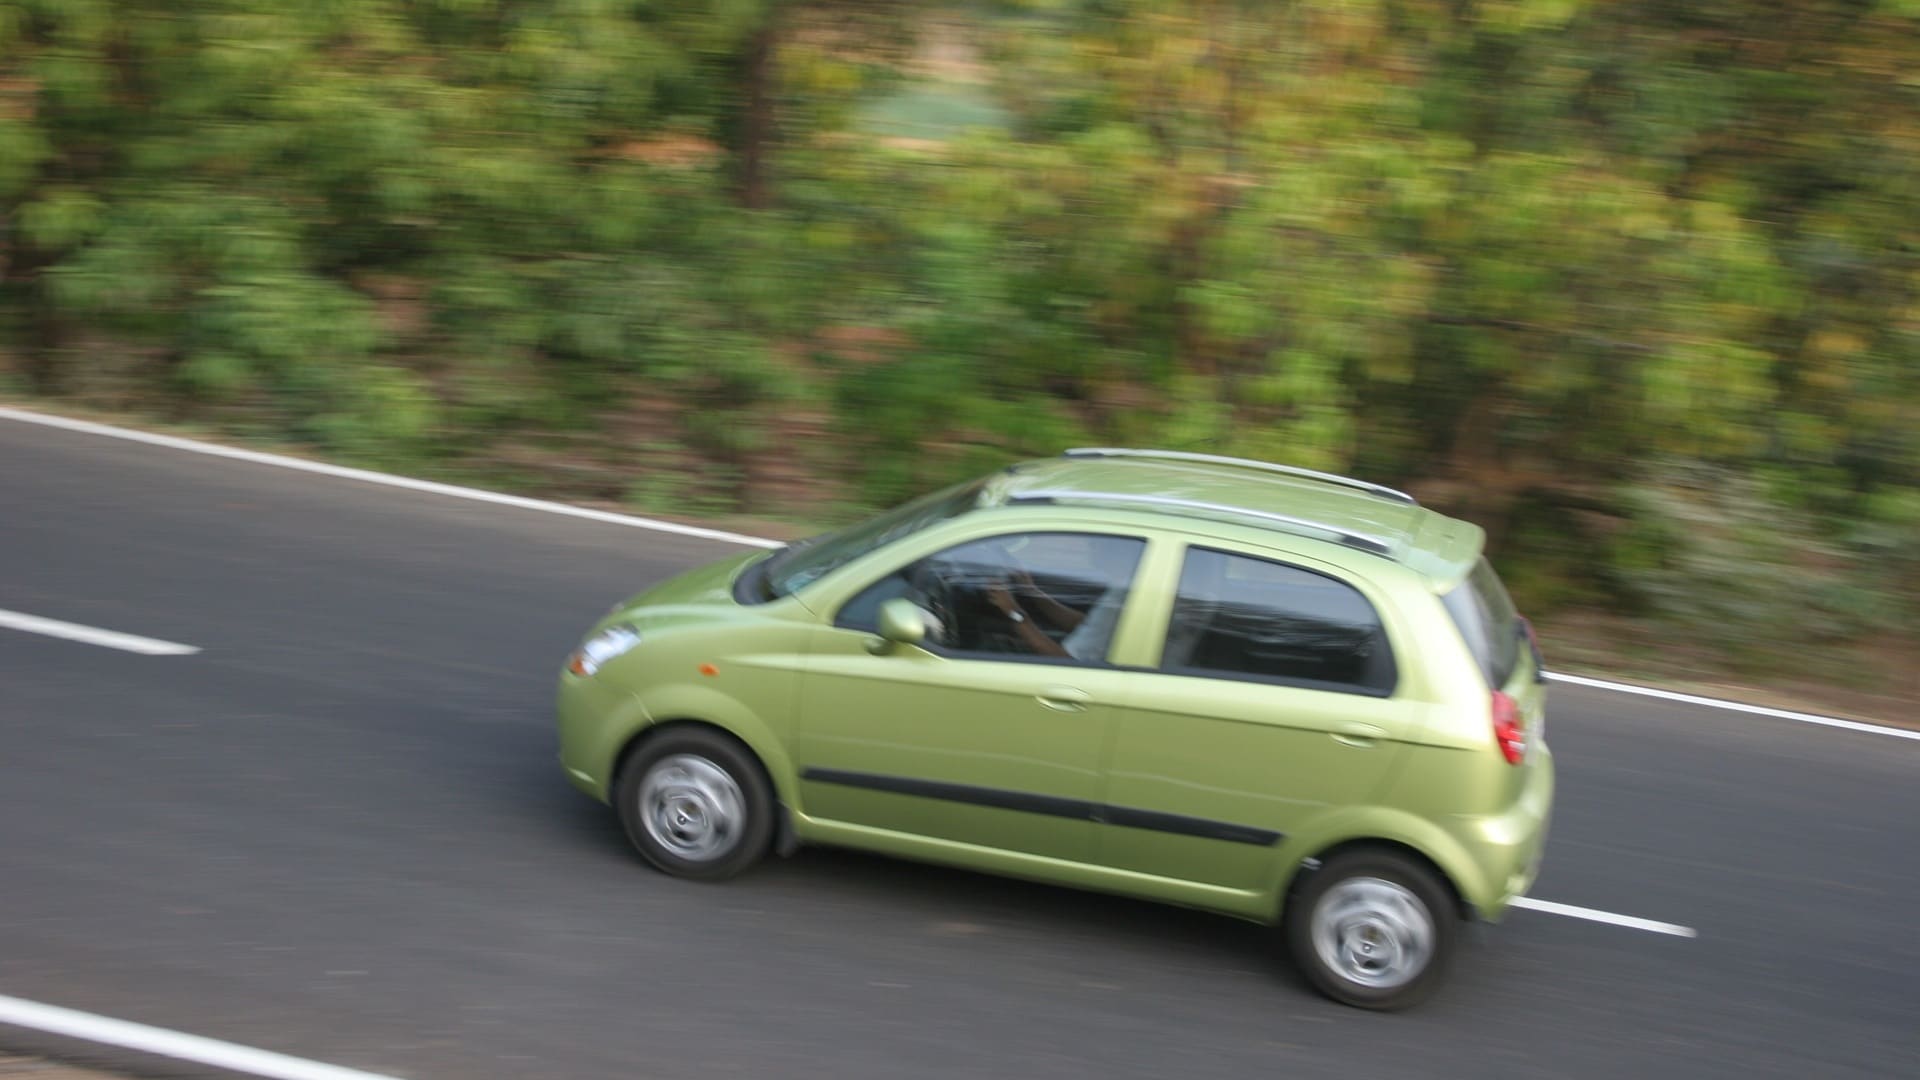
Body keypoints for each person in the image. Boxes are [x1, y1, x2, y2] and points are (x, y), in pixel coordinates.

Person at [981, 539, 1136, 662]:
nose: (1090, 545)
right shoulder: (1125, 587)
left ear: (1116, 551)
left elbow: (1064, 660)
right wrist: (1032, 591)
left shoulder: (1123, 596)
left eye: (1097, 543)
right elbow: (1084, 625)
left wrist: (1013, 612)